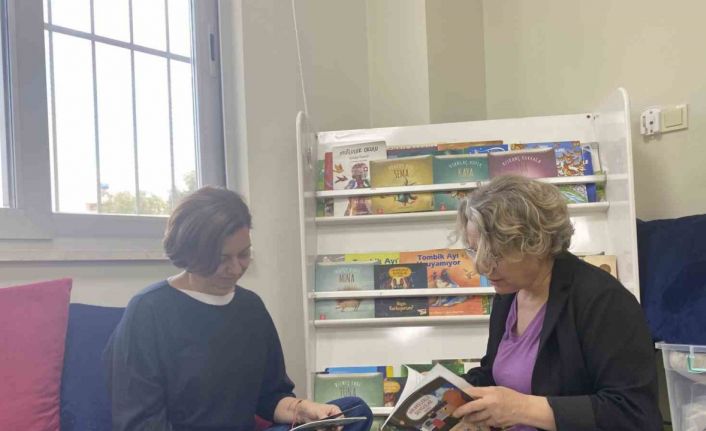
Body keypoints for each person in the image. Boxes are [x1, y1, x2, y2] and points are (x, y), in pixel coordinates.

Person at [103, 186, 372, 431]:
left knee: (354, 411)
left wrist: (303, 411)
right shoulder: (149, 310)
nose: (235, 269)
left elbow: (270, 396)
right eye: (221, 259)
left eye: (243, 254)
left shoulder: (250, 307)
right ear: (190, 253)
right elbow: (140, 423)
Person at [451, 175, 662, 431]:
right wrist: (449, 393)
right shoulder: (509, 294)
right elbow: (494, 372)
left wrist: (521, 409)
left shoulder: (603, 300)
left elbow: (633, 413)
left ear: (536, 243)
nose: (481, 266)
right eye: (474, 250)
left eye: (495, 253)